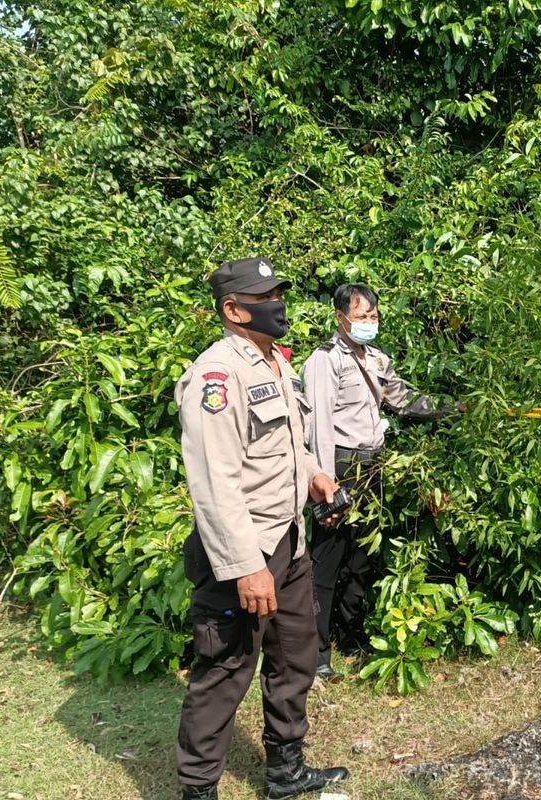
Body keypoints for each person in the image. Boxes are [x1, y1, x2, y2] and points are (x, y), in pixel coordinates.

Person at [173, 257, 349, 800]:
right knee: (225, 671)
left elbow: (287, 445)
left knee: (296, 658)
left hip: (289, 540)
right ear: (233, 309)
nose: (278, 304)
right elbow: (214, 481)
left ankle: (285, 772)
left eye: (278, 294)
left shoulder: (275, 363)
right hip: (245, 551)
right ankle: (198, 790)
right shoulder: (217, 376)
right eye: (266, 297)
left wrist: (315, 474)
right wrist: (246, 567)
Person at [301, 283, 461, 681]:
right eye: (361, 317)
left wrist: (452, 407)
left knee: (361, 556)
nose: (369, 322)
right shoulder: (325, 360)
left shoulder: (375, 358)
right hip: (340, 465)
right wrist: (324, 483)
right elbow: (319, 425)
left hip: (372, 465)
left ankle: (350, 636)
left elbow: (403, 399)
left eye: (373, 316)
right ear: (340, 318)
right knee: (327, 559)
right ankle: (316, 653)